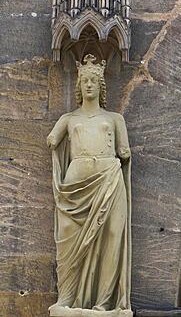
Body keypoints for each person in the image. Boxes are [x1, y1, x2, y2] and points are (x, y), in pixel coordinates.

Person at [47, 54, 132, 316]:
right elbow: (52, 141)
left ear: (101, 85)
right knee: (69, 241)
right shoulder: (69, 119)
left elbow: (124, 151)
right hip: (76, 186)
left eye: (94, 80)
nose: (89, 85)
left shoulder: (115, 119)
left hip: (109, 179)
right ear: (79, 86)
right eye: (84, 80)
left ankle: (104, 303)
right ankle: (68, 298)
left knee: (113, 237)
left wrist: (123, 155)